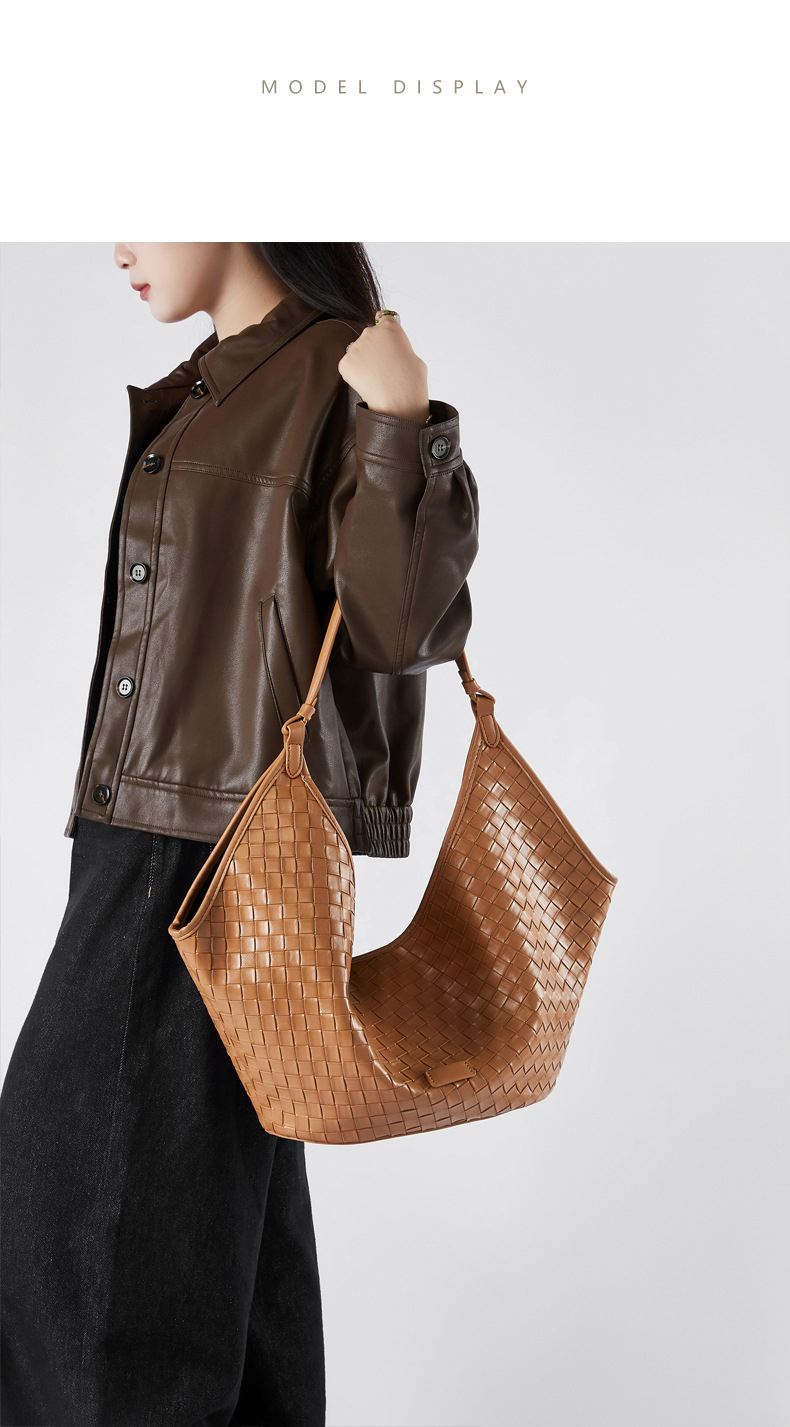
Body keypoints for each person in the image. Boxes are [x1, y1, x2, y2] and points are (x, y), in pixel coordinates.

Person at [0, 242, 480, 1426]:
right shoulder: (219, 379)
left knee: (91, 1272)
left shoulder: (341, 372)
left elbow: (400, 627)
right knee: (222, 1275)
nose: (117, 239)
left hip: (198, 860)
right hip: (145, 852)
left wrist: (404, 425)